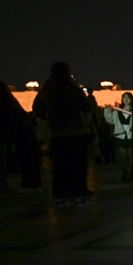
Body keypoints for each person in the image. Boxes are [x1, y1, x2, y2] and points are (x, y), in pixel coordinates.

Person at [32, 62, 92, 205]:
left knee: (59, 166)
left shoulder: (47, 90)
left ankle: (60, 195)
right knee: (77, 165)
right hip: (76, 131)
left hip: (56, 133)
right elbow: (85, 107)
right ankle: (79, 194)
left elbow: (37, 108)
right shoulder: (72, 89)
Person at [104, 92, 133, 182]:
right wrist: (107, 110)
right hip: (120, 135)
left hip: (131, 135)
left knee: (131, 155)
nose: (126, 99)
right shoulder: (118, 111)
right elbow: (110, 119)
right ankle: (125, 173)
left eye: (128, 98)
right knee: (123, 156)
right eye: (124, 97)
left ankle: (131, 173)